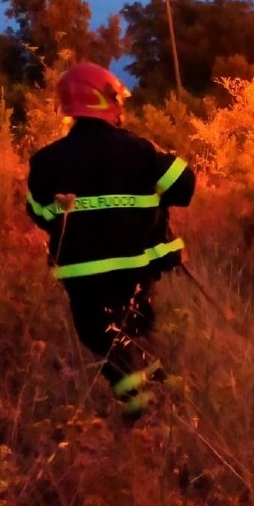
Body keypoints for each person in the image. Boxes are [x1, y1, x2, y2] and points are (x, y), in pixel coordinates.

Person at [26, 61, 196, 422]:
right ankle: (156, 410)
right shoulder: (139, 151)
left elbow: (39, 214)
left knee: (106, 344)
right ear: (106, 101)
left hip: (82, 279)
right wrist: (154, 166)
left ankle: (141, 412)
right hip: (136, 272)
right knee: (139, 334)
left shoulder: (45, 161)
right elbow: (185, 187)